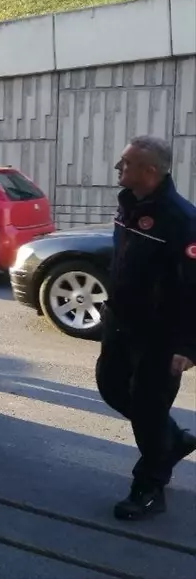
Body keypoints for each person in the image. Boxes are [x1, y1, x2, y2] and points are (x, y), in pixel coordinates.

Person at [96, 135, 196, 521]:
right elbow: (125, 261)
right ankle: (172, 440)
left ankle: (150, 486)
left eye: (126, 163)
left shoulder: (181, 219)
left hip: (162, 334)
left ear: (150, 171)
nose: (118, 168)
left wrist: (188, 346)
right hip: (122, 323)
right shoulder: (130, 206)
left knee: (150, 408)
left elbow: (193, 287)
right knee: (112, 386)